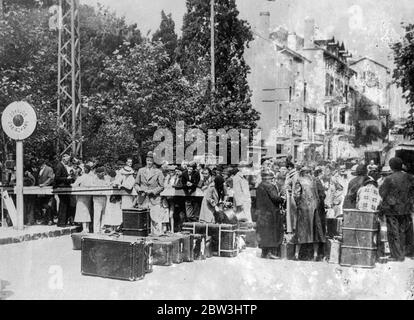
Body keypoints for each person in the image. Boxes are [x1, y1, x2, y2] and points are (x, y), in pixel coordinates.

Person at [379, 157, 414, 261]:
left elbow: (382, 192)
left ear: (391, 167)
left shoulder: (389, 179)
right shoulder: (410, 177)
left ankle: (397, 255)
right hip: (406, 209)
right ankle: (408, 252)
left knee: (394, 232)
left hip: (392, 209)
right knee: (405, 231)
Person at [293, 166, 322, 261]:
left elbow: (296, 195)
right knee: (315, 231)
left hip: (303, 208)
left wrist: (299, 204)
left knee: (301, 231)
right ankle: (315, 254)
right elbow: (320, 194)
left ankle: (297, 254)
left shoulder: (299, 181)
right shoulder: (315, 180)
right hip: (315, 208)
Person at [135, 151, 166, 235]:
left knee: (155, 219)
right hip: (143, 198)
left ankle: (156, 235)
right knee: (142, 219)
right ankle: (143, 237)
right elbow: (136, 183)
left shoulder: (158, 172)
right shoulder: (141, 171)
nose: (149, 162)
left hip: (154, 198)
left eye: (151, 161)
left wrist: (153, 191)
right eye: (148, 160)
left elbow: (162, 186)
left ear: (153, 162)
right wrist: (139, 189)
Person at [256, 171, 285, 259]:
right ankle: (270, 253)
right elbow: (275, 198)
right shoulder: (270, 186)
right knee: (271, 233)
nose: (273, 180)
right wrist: (282, 199)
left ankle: (264, 253)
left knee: (264, 233)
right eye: (272, 179)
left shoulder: (259, 186)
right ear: (269, 179)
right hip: (271, 213)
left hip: (262, 213)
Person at [54, 154, 74, 227]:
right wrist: (66, 178)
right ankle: (61, 222)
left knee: (65, 204)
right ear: (63, 159)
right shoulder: (59, 166)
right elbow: (57, 178)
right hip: (61, 188)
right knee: (63, 205)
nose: (67, 162)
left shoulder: (62, 166)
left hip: (64, 188)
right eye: (67, 160)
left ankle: (63, 222)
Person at [72, 165, 93, 232]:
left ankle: (84, 228)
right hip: (88, 196)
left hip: (81, 196)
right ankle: (87, 228)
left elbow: (74, 185)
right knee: (87, 210)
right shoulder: (91, 177)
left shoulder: (81, 177)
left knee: (82, 211)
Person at [103, 169, 122, 233]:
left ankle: (115, 228)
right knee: (110, 213)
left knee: (115, 213)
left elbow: (119, 188)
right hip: (109, 199)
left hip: (115, 200)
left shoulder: (116, 182)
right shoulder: (108, 182)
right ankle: (111, 227)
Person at [37, 159, 55, 225]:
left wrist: (44, 184)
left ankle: (50, 220)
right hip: (41, 191)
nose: (40, 166)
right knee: (42, 205)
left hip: (48, 190)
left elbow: (51, 178)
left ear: (44, 164)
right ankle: (45, 219)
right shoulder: (40, 170)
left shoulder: (49, 169)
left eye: (41, 164)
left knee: (49, 205)